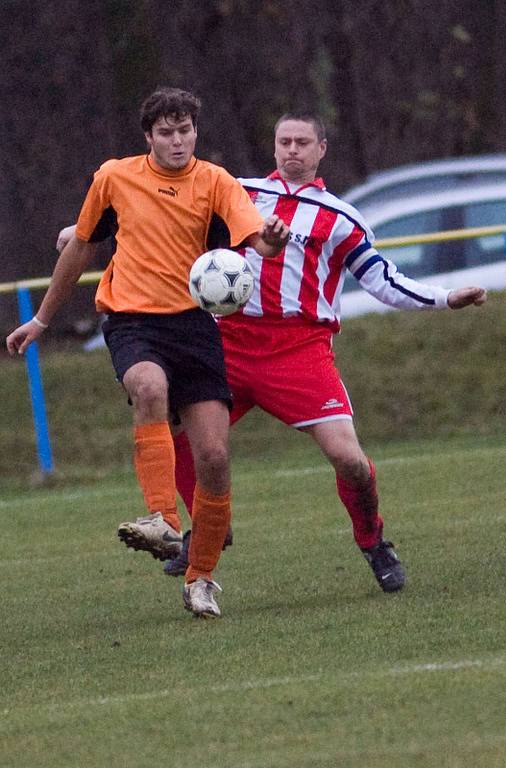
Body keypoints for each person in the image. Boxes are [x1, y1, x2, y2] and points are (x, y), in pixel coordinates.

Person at [55, 112, 487, 596]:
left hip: (299, 351)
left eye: (303, 142)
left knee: (349, 459)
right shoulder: (238, 191)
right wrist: (79, 231)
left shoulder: (341, 218)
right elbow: (152, 209)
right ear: (274, 146)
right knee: (176, 431)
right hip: (229, 342)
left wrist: (445, 297)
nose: (292, 150)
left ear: (322, 149)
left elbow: (383, 281)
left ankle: (373, 540)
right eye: (285, 141)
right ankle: (209, 525)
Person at [6, 87, 290, 619]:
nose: (177, 141)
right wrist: (43, 319)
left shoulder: (216, 182)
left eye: (185, 131)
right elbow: (81, 246)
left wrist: (273, 236)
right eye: (166, 132)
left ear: (196, 132)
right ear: (149, 137)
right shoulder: (114, 177)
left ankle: (201, 577)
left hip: (195, 327)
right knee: (149, 387)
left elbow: (259, 243)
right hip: (132, 320)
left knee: (215, 458)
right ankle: (161, 517)